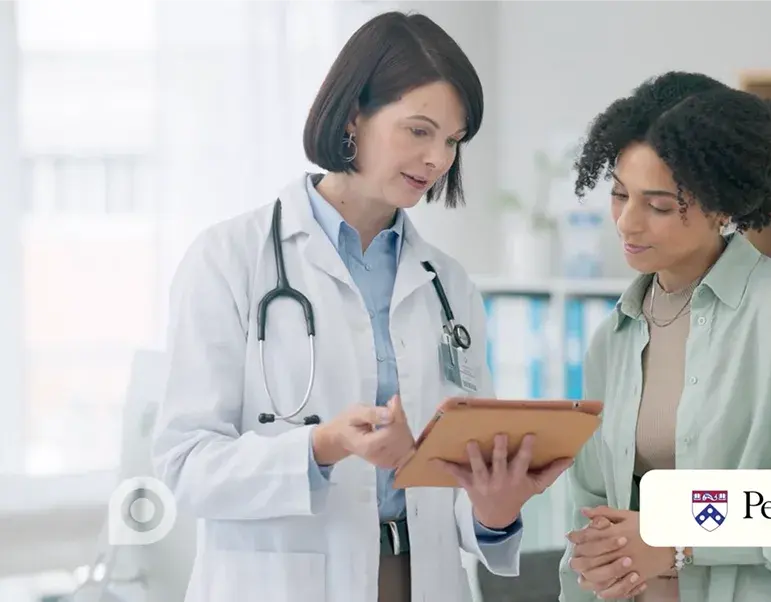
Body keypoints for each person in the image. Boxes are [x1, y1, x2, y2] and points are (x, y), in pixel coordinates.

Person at [152, 12, 571, 602]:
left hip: (418, 581)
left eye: (452, 141)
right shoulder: (229, 259)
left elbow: (453, 476)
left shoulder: (446, 285)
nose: (437, 160)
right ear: (354, 117)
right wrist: (324, 446)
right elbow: (186, 467)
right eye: (419, 131)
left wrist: (492, 510)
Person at [557, 72, 771, 602]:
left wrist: (683, 542)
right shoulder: (615, 336)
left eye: (659, 205)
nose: (627, 223)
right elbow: (591, 510)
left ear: (722, 207)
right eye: (620, 195)